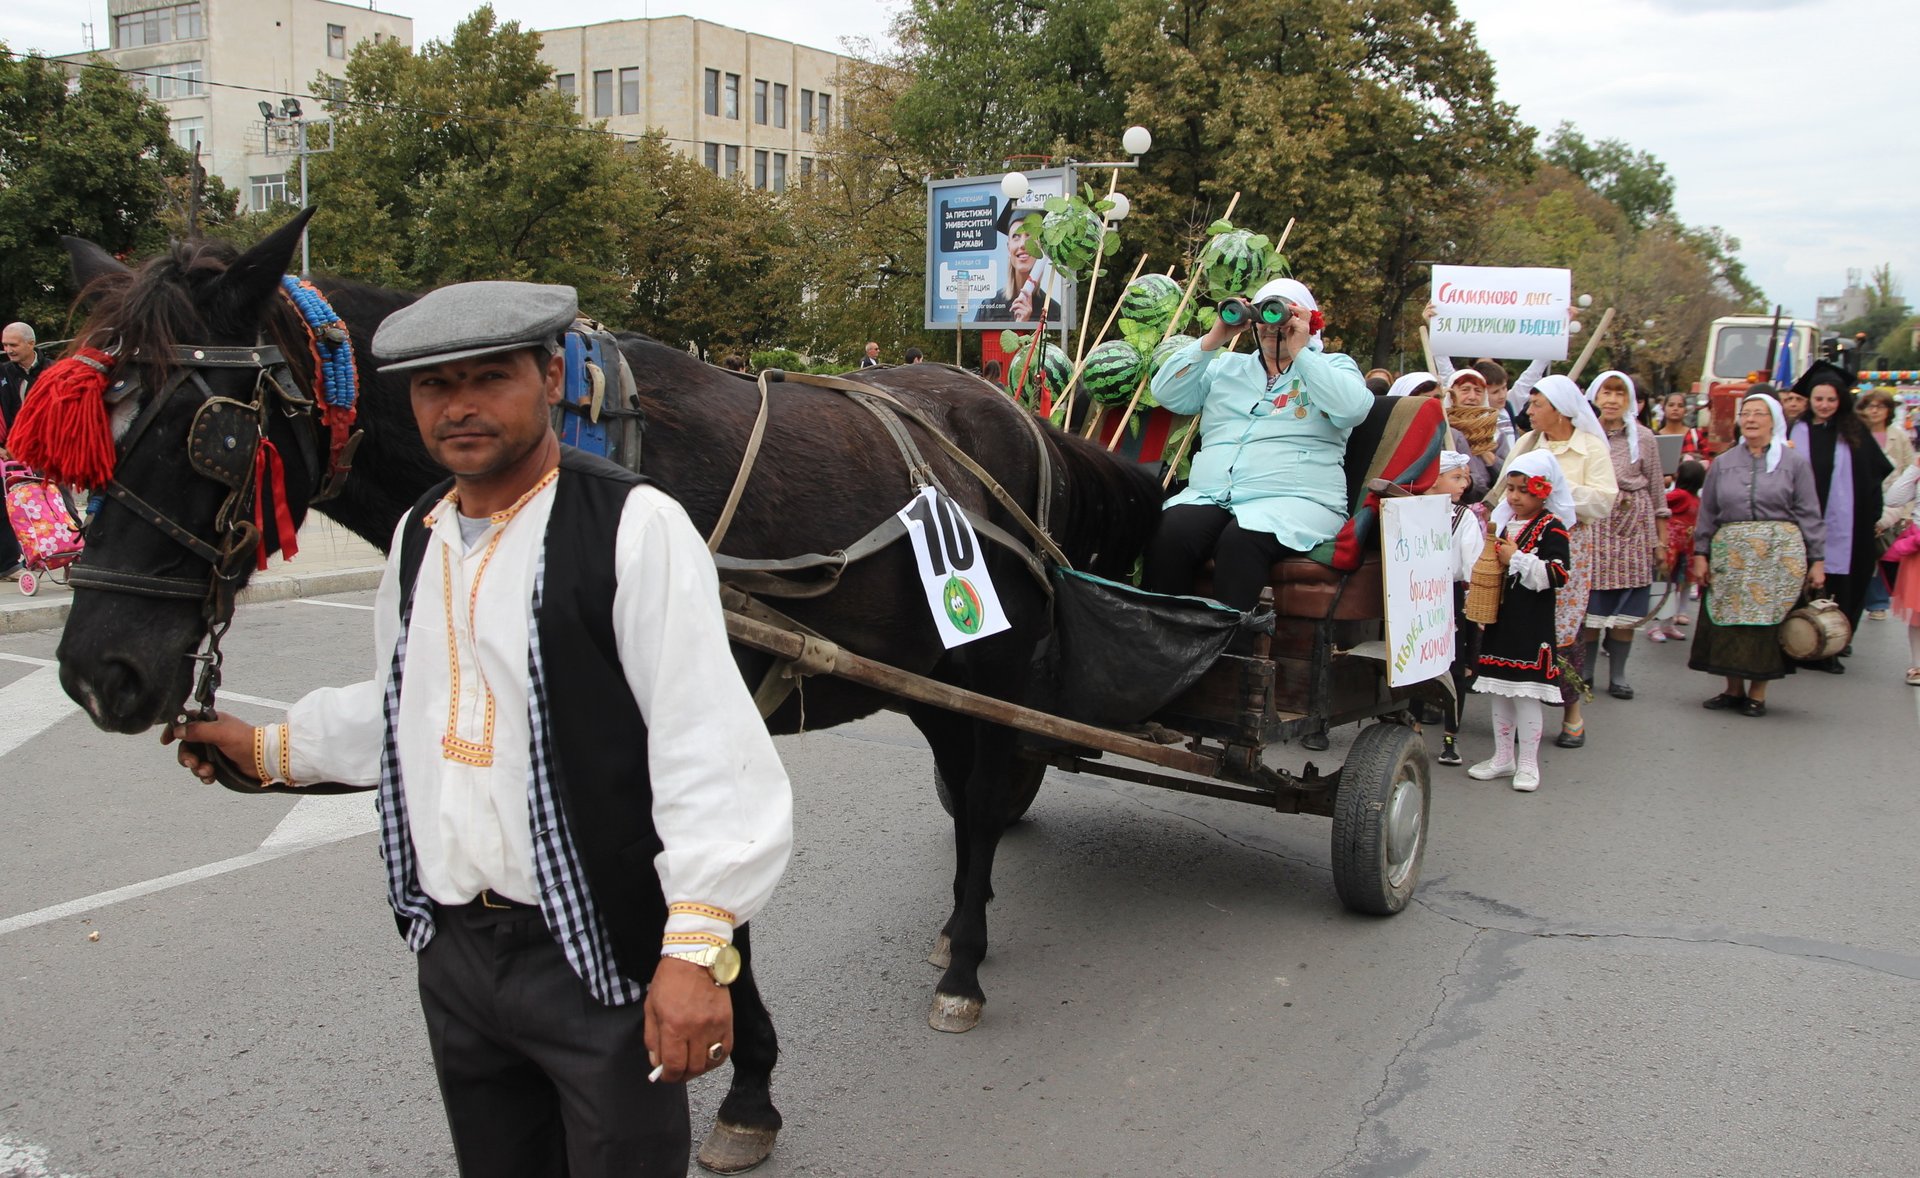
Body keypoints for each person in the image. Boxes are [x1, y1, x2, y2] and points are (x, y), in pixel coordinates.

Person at [167, 281, 795, 1176]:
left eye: (488, 378)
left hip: (594, 957)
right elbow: (406, 703)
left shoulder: (631, 525)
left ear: (548, 378)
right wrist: (269, 749)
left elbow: (709, 748)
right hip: (455, 956)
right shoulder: (421, 533)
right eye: (432, 387)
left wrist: (696, 951)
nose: (458, 406)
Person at [1140, 277, 1372, 612]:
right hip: (1215, 494)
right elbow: (1167, 393)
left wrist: (1301, 352)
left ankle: (1233, 652)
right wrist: (1214, 338)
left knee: (1241, 540)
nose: (1270, 328)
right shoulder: (1227, 367)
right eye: (1262, 317)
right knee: (1168, 532)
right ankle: (1164, 640)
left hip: (1296, 501)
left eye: (1280, 316)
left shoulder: (1333, 367)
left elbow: (1353, 409)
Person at [1488, 374, 1617, 749]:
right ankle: (1520, 712)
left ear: (1560, 410)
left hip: (1567, 544)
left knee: (1560, 629)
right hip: (1520, 541)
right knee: (1522, 620)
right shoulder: (1528, 443)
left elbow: (1603, 500)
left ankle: (1571, 711)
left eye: (1536, 405)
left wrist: (1556, 488)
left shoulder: (1590, 448)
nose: (1528, 411)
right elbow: (1502, 490)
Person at [1689, 392, 1826, 717]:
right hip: (1731, 553)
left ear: (1774, 420)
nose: (1750, 419)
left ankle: (1758, 694)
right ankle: (1732, 689)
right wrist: (1701, 553)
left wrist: (1817, 559)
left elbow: (1809, 512)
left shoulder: (1793, 463)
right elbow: (1708, 511)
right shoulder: (1723, 463)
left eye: (1758, 414)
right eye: (1746, 413)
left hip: (1777, 557)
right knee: (1728, 620)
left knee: (1766, 622)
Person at [1467, 451, 1575, 793]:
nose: (1514, 497)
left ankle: (1528, 761)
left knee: (1526, 695)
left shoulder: (1552, 527)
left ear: (1542, 492)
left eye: (1523, 490)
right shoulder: (1504, 525)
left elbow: (1558, 574)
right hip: (1502, 619)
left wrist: (1517, 558)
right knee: (1500, 691)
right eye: (1510, 488)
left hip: (1532, 623)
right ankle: (1502, 757)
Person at [1788, 360, 1891, 666]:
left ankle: (1833, 643)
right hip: (1799, 521)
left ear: (1841, 400)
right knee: (1797, 579)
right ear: (1810, 399)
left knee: (1841, 582)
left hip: (1846, 525)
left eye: (1831, 399)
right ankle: (1794, 642)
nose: (1824, 405)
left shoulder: (1854, 431)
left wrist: (1873, 515)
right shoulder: (1797, 429)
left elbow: (1874, 476)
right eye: (1819, 399)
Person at [1580, 371, 1667, 699]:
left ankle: (1618, 675)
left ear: (1631, 400)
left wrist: (1661, 540)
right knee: (1592, 606)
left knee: (1626, 611)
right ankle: (1585, 672)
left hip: (1633, 530)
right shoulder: (1586, 434)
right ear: (1595, 396)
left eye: (1620, 394)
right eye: (1607, 393)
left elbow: (1657, 488)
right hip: (1596, 528)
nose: (1613, 400)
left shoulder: (1644, 437)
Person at [1422, 304, 1549, 443]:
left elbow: (1531, 376)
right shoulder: (1458, 414)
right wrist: (1434, 327)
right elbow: (1445, 368)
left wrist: (1556, 335)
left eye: (1504, 388)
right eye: (1493, 392)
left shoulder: (1509, 404)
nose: (1502, 395)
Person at [1430, 451, 1485, 767]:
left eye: (1466, 477)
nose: (1465, 483)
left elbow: (1472, 564)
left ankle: (1450, 736)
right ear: (1435, 479)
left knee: (1454, 662)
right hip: (1414, 588)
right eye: (1457, 477)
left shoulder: (1463, 517)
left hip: (1447, 594)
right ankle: (1410, 722)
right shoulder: (1412, 509)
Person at [1855, 388, 1911, 620]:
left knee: (1883, 552)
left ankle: (1878, 603)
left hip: (1891, 500)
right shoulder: (1856, 434)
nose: (1875, 411)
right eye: (1870, 406)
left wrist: (1904, 512)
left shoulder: (1898, 435)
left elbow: (1908, 471)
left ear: (1889, 411)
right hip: (1864, 502)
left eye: (1880, 406)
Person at [0, 321, 49, 578]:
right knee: (7, 506)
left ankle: (64, 554)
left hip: (49, 450)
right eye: (5, 345)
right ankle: (9, 563)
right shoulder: (3, 373)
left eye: (13, 344)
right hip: (12, 452)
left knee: (58, 503)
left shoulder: (52, 370)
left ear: (31, 343)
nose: (8, 349)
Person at [971, 193, 1060, 324]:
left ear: (1041, 246)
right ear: (1008, 248)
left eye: (1029, 235)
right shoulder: (989, 308)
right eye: (1016, 237)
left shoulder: (1053, 311)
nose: (1022, 244)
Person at [1648, 459, 1706, 642]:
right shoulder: (1682, 496)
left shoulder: (1691, 498)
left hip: (1683, 548)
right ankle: (1656, 625)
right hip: (1673, 546)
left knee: (1674, 584)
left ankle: (1666, 623)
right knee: (1663, 584)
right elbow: (1660, 503)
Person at [1875, 457, 1920, 684]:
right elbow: (1893, 499)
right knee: (1919, 613)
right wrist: (1915, 468)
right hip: (1918, 547)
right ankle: (1918, 665)